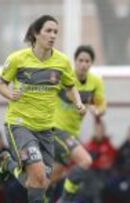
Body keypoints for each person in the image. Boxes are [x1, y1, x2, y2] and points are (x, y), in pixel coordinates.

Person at [0, 14, 86, 203]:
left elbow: (70, 87)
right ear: (36, 33)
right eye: (48, 31)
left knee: (40, 182)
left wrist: (78, 102)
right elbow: (1, 85)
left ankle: (8, 164)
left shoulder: (61, 62)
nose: (53, 35)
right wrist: (9, 94)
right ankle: (11, 163)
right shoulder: (17, 59)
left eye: (56, 32)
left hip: (45, 129)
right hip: (20, 125)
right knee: (37, 174)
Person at [52, 45, 107, 203]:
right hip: (56, 129)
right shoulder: (64, 77)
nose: (83, 64)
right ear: (75, 62)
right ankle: (65, 200)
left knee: (53, 177)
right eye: (80, 60)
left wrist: (97, 110)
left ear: (91, 64)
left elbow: (102, 105)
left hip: (73, 133)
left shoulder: (96, 81)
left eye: (87, 61)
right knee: (85, 161)